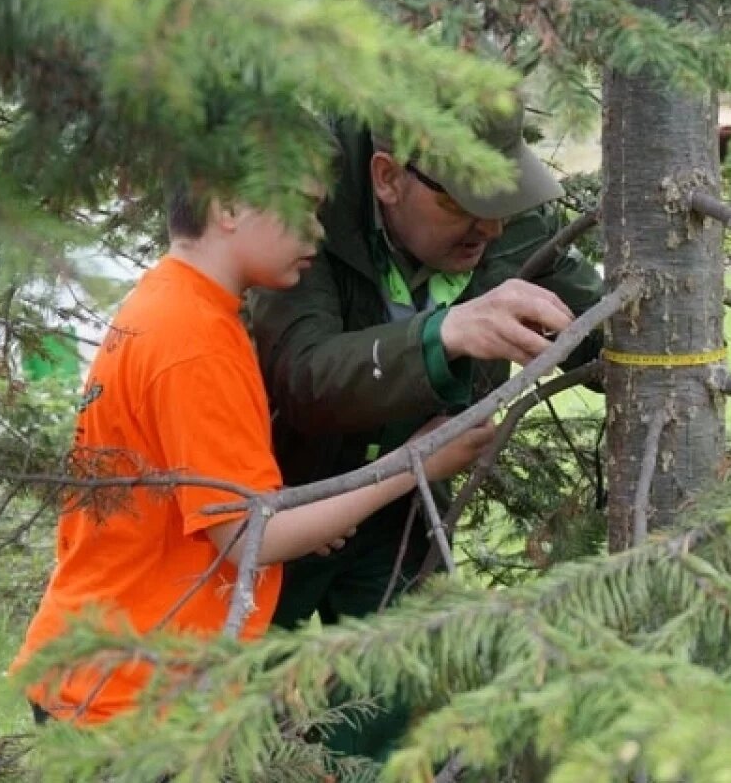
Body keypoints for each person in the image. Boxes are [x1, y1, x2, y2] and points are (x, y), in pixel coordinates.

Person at [10, 183, 496, 726]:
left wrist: (297, 511)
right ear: (228, 207)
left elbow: (212, 482)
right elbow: (249, 534)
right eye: (305, 206)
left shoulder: (175, 304)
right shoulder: (194, 341)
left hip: (123, 680)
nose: (318, 228)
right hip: (131, 704)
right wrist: (417, 462)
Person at [248, 98, 604, 756]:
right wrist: (447, 335)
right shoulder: (304, 197)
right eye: (464, 205)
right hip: (286, 506)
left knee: (404, 706)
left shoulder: (505, 220)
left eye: (501, 202)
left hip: (407, 509)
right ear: (387, 177)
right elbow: (304, 373)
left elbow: (596, 330)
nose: (489, 230)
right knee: (248, 722)